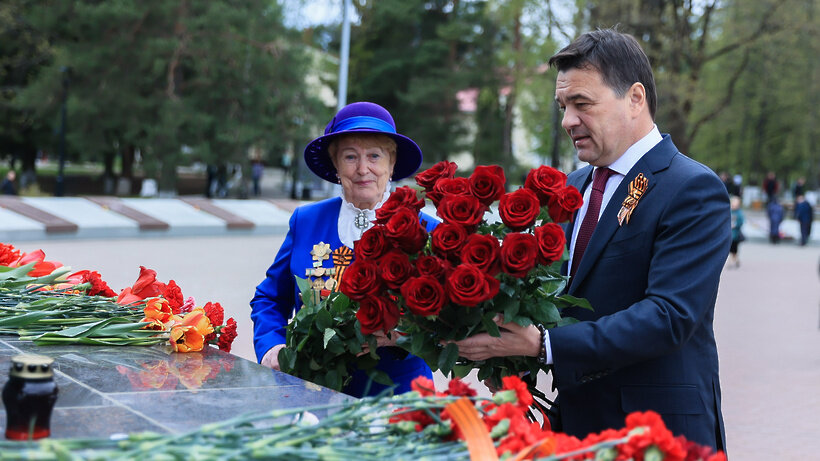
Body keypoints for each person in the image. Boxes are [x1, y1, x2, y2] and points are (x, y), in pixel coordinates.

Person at [454, 29, 729, 452]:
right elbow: (551, 294)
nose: (567, 121)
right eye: (563, 106)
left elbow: (669, 315)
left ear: (635, 98)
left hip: (657, 433)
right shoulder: (573, 186)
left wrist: (545, 346)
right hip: (577, 426)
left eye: (582, 104)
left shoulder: (691, 188)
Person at [251, 102, 437, 398]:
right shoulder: (306, 221)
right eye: (350, 157)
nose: (363, 169)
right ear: (336, 166)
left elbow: (451, 321)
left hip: (403, 398)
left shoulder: (427, 229)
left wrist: (402, 334)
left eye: (374, 156)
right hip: (313, 395)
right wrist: (272, 346)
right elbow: (269, 298)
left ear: (391, 164)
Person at [728, 195, 745, 267]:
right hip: (729, 235)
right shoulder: (729, 212)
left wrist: (735, 225)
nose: (733, 206)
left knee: (734, 250)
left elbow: (741, 222)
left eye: (735, 205)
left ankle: (732, 261)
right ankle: (735, 260)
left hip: (735, 235)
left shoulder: (739, 213)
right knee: (730, 250)